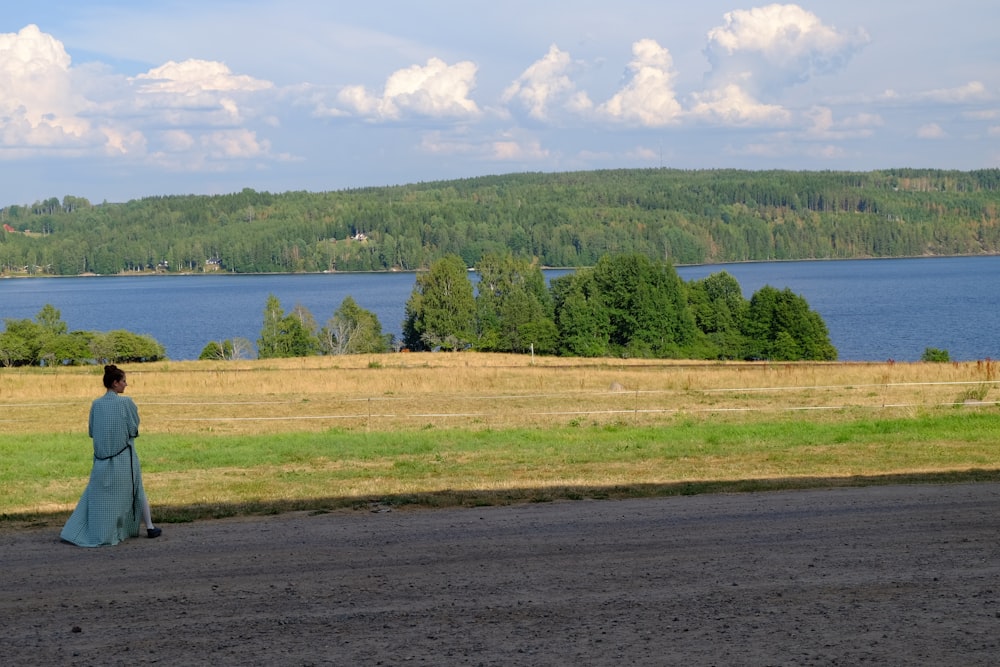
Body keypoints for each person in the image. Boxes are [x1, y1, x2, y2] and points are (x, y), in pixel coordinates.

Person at [61, 364, 162, 546]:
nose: (126, 384)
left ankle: (89, 528)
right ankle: (148, 526)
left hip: (100, 460)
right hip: (124, 457)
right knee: (137, 489)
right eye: (123, 381)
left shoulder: (96, 405)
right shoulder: (126, 403)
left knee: (97, 495)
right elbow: (133, 429)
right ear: (115, 383)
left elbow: (92, 431)